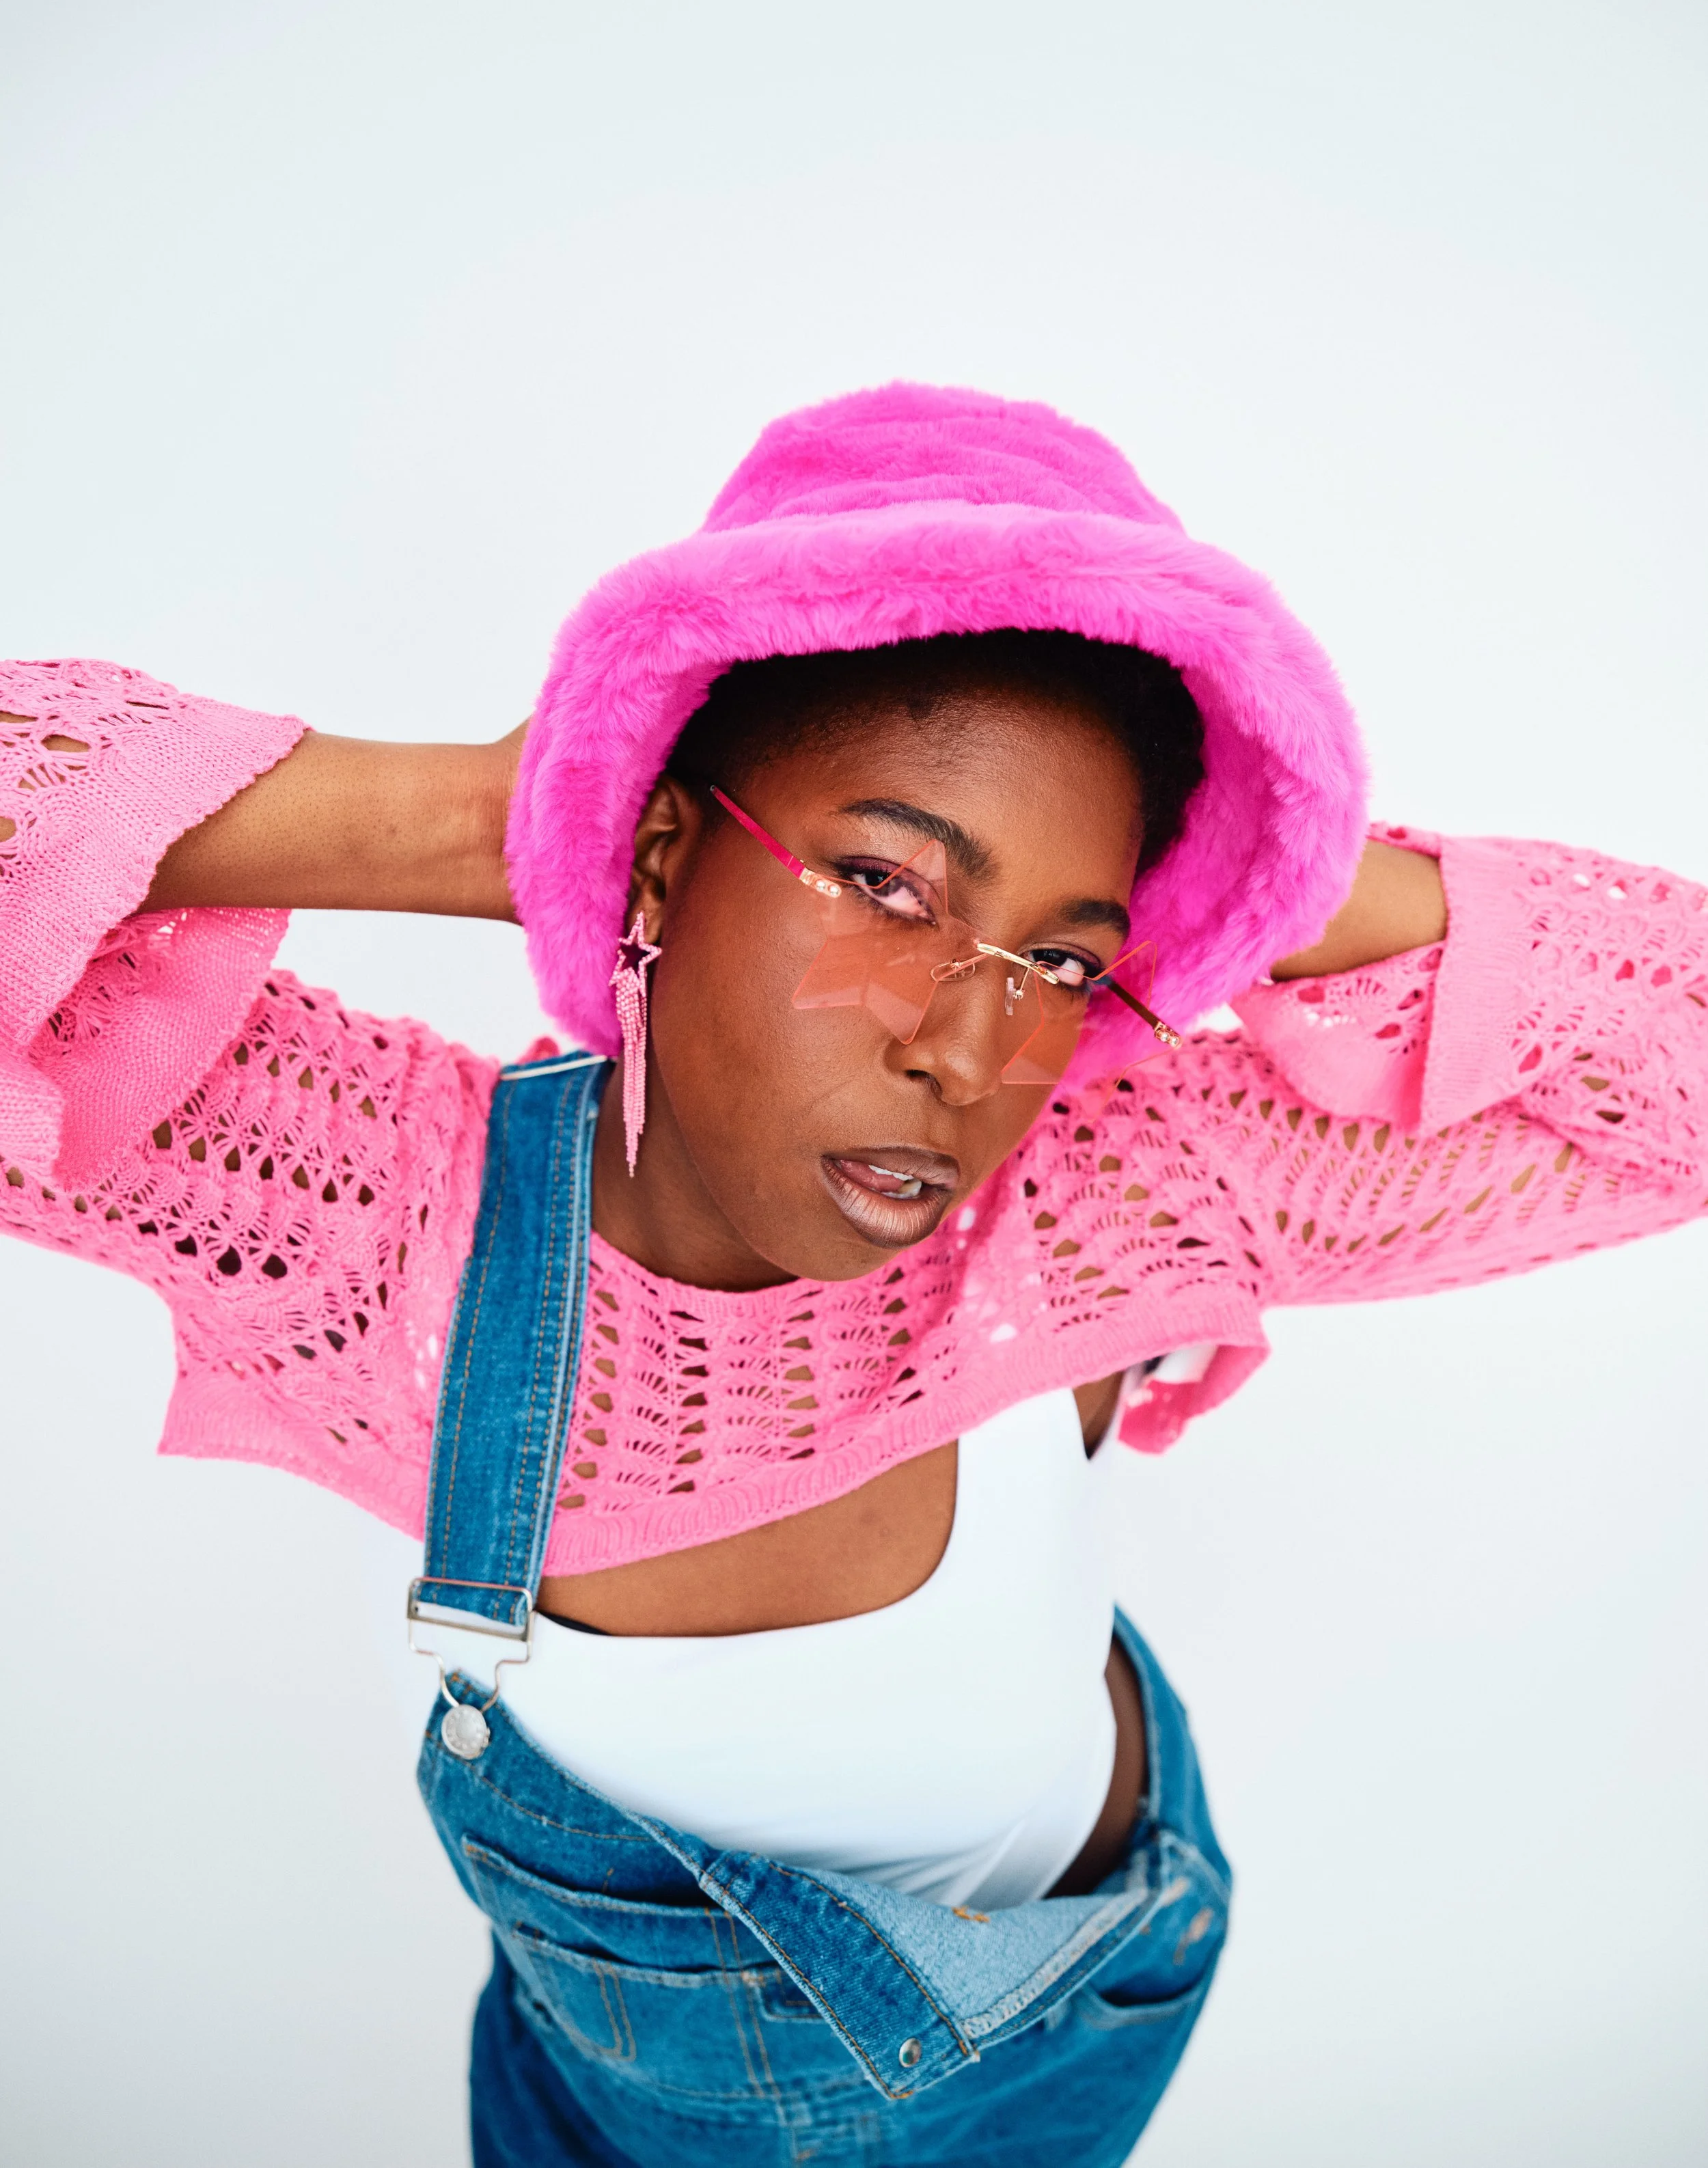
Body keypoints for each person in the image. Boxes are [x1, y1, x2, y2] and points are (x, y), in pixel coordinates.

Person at [2, 383, 1701, 2168]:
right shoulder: (382, 1216)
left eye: (1060, 953)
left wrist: (1272, 871)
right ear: (667, 842)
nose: (972, 1046)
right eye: (890, 883)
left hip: (1092, 2013)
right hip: (626, 2114)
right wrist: (508, 807)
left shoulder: (1098, 1199)